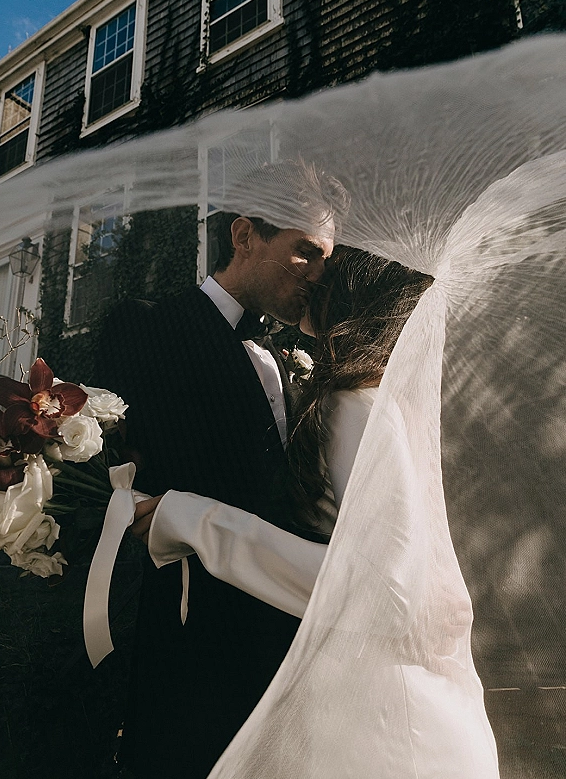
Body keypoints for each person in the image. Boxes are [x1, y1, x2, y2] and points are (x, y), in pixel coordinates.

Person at [98, 160, 350, 779]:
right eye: (305, 250)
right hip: (193, 653)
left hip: (286, 642)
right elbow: (117, 481)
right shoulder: (147, 326)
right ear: (244, 236)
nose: (318, 273)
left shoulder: (284, 360)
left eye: (325, 259)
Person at [132, 248, 435, 623]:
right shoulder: (382, 394)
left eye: (328, 269)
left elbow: (385, 587)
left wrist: (197, 522)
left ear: (352, 294)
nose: (313, 276)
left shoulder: (352, 403)